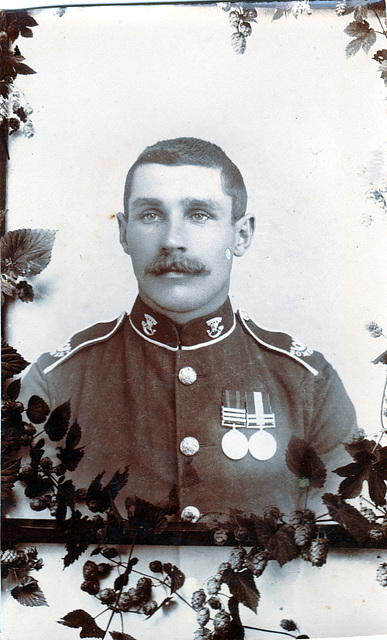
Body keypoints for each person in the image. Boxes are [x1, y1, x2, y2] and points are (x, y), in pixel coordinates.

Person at [19, 137, 357, 516]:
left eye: (199, 214)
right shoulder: (54, 383)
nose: (172, 240)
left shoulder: (310, 385)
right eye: (150, 214)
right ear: (124, 233)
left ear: (241, 234)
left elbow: (337, 552)